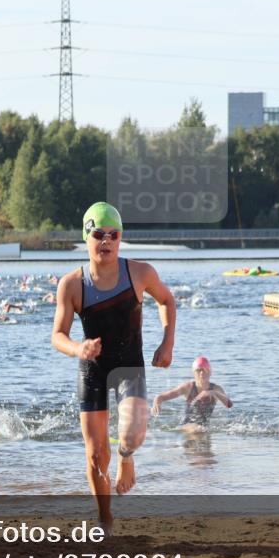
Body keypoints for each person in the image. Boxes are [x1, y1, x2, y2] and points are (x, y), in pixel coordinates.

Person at [52, 202, 176, 532]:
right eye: (98, 234)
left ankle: (126, 457)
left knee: (132, 435)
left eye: (113, 235)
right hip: (92, 370)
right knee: (96, 456)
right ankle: (105, 518)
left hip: (129, 366)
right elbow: (57, 335)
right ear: (86, 236)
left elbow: (167, 300)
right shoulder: (72, 284)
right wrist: (79, 348)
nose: (106, 241)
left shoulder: (139, 273)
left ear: (121, 238)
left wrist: (167, 342)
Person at [152, 356, 233, 431]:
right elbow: (162, 397)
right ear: (194, 373)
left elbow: (229, 404)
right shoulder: (188, 387)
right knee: (197, 429)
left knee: (202, 430)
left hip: (203, 428)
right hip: (187, 426)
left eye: (205, 370)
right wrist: (156, 402)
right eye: (198, 370)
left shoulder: (216, 389)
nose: (202, 373)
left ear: (210, 372)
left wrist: (213, 393)